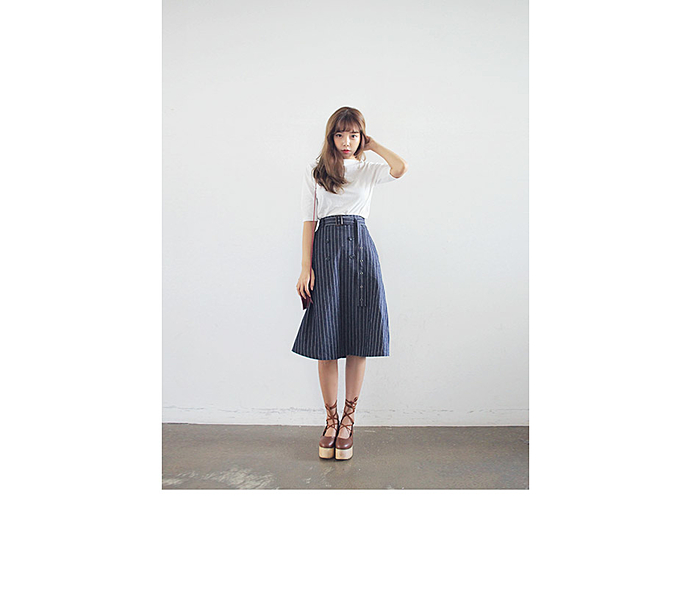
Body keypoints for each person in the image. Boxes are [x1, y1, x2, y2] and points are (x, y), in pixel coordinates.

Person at [292, 107, 408, 460]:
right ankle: (330, 421)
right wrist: (305, 268)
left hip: (360, 251)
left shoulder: (368, 170)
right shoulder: (317, 172)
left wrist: (374, 145)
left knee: (359, 336)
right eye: (340, 134)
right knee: (326, 339)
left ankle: (348, 421)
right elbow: (308, 221)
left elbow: (400, 168)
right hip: (326, 251)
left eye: (353, 135)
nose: (347, 141)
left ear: (362, 137)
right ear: (331, 137)